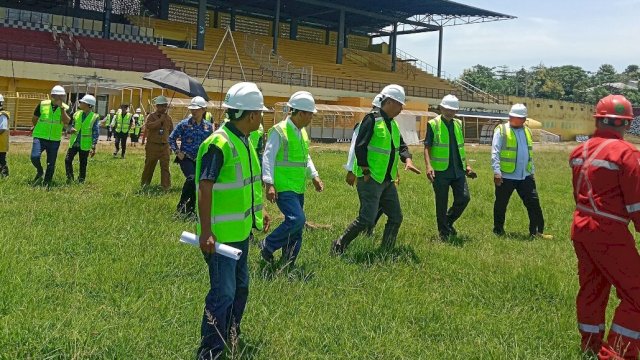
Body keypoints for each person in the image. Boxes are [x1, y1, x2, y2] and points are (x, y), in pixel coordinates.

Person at [195, 82, 271, 359]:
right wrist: (206, 232)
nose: (262, 117)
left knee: (240, 288)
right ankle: (211, 350)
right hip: (219, 237)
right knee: (223, 293)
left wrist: (258, 212)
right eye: (260, 113)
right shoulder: (219, 143)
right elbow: (205, 187)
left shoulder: (244, 141)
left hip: (240, 232)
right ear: (250, 115)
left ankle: (230, 331)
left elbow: (246, 185)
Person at [569, 95, 640, 359]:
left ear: (598, 119)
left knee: (592, 288)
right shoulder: (627, 153)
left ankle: (590, 345)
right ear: (627, 124)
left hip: (581, 228)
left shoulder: (580, 151)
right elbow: (637, 204)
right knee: (637, 295)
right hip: (609, 233)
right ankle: (615, 354)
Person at [331, 84, 421, 255]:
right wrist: (364, 171)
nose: (402, 109)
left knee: (396, 217)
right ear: (390, 102)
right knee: (367, 218)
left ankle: (385, 251)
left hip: (387, 179)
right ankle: (339, 245)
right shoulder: (371, 119)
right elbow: (360, 146)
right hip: (370, 178)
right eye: (400, 104)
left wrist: (407, 159)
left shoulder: (392, 124)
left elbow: (401, 145)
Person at [260, 91, 324, 265]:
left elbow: (305, 157)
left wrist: (314, 176)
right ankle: (267, 245)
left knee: (296, 228)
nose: (311, 117)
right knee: (298, 220)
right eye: (310, 114)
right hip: (283, 186)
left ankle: (288, 263)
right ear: (300, 113)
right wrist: (269, 184)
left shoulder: (302, 133)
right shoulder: (279, 131)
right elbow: (268, 157)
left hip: (298, 186)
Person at [491, 104, 552, 239]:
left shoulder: (527, 131)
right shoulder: (501, 130)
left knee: (534, 203)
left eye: (523, 118)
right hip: (506, 175)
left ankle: (536, 232)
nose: (521, 121)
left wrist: (532, 172)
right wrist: (496, 171)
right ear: (511, 117)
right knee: (501, 204)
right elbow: (495, 152)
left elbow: (529, 154)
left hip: (525, 175)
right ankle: (498, 230)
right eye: (518, 118)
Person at [423, 94, 476, 240]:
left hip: (458, 170)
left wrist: (467, 166)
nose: (450, 112)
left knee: (464, 198)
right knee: (441, 202)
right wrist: (428, 166)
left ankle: (447, 221)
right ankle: (444, 233)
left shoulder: (458, 124)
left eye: (453, 110)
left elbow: (460, 147)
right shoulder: (433, 124)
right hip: (440, 171)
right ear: (441, 108)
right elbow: (427, 147)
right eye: (447, 109)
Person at [345, 93, 384, 236]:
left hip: (380, 173)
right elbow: (354, 148)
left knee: (381, 204)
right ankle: (364, 230)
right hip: (364, 172)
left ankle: (368, 228)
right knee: (368, 205)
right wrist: (351, 170)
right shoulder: (366, 123)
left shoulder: (388, 124)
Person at [169, 96, 213, 216]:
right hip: (186, 158)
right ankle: (181, 207)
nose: (193, 111)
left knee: (198, 183)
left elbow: (210, 143)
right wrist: (178, 152)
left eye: (196, 109)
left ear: (203, 110)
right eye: (192, 109)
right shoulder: (184, 124)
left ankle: (191, 208)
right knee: (192, 178)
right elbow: (171, 138)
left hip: (201, 160)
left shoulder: (208, 127)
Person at [31, 85, 71, 185]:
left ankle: (47, 182)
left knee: (51, 163)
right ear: (52, 96)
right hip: (40, 137)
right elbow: (35, 118)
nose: (60, 98)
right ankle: (40, 171)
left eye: (62, 96)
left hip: (54, 139)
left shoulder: (66, 108)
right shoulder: (42, 104)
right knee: (34, 157)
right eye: (58, 96)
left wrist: (61, 109)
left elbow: (67, 122)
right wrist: (36, 128)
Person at [64, 95, 99, 183]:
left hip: (85, 144)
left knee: (83, 163)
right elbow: (69, 124)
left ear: (89, 105)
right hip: (74, 141)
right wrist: (70, 129)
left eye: (82, 102)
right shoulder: (76, 113)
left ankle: (81, 180)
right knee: (67, 160)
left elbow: (95, 132)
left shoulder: (94, 117)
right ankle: (70, 178)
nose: (80, 103)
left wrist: (93, 146)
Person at [141, 96, 173, 190]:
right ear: (157, 106)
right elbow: (149, 126)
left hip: (164, 146)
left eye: (165, 106)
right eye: (162, 106)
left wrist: (170, 145)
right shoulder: (151, 116)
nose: (164, 108)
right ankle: (145, 184)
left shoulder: (168, 118)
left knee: (165, 167)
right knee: (149, 165)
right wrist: (160, 121)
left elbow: (171, 131)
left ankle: (165, 186)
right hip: (152, 145)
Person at [0, 93, 10, 177]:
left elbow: (2, 128)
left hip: (1, 143)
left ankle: (5, 175)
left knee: (2, 159)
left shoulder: (2, 115)